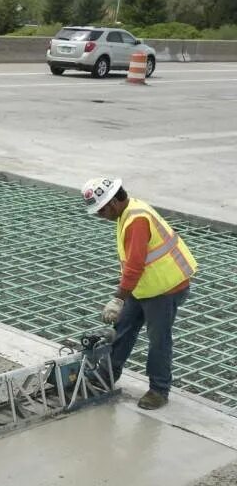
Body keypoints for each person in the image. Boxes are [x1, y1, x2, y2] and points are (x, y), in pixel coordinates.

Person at [81, 176, 198, 410]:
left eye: (101, 211)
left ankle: (159, 390)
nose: (100, 217)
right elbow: (132, 266)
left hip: (166, 288)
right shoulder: (127, 212)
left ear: (113, 202)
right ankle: (105, 377)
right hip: (145, 286)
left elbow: (135, 266)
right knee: (122, 329)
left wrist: (118, 299)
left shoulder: (136, 220)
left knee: (158, 340)